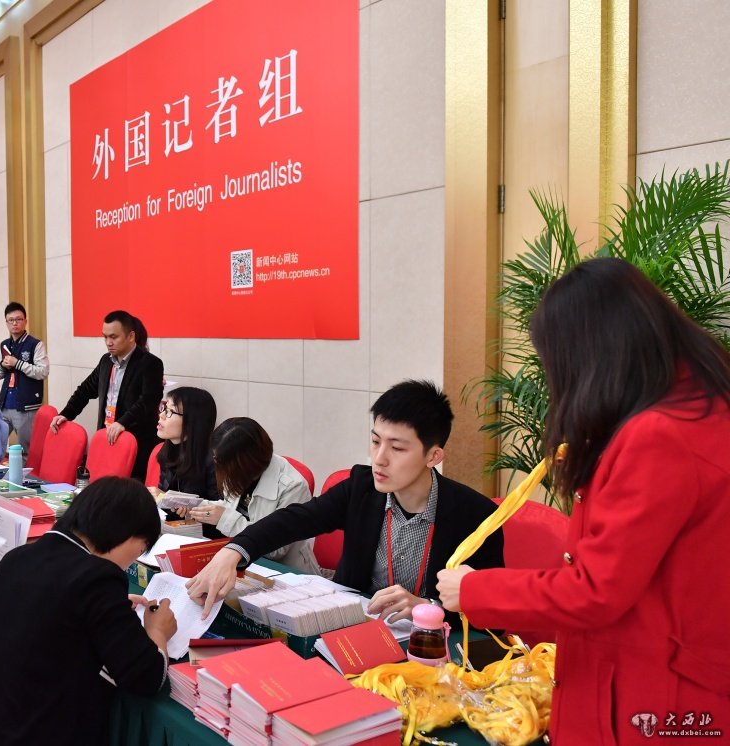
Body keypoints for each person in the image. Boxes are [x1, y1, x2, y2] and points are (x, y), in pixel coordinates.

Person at [437, 258, 730, 741]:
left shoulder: (659, 435)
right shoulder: (700, 406)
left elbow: (596, 589)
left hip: (650, 694)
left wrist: (475, 591)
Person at [187, 380, 503, 621]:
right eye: (376, 441)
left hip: (431, 652)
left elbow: (492, 616)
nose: (379, 458)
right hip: (353, 630)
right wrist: (233, 552)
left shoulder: (476, 516)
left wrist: (428, 607)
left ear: (433, 456)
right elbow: (293, 519)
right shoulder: (361, 488)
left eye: (397, 448)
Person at [0, 477, 178, 746]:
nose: (132, 561)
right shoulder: (98, 578)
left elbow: (56, 614)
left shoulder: (18, 557)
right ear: (126, 534)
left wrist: (111, 608)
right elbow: (146, 677)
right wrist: (158, 631)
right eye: (141, 549)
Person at [186, 417, 321, 574]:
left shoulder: (294, 486)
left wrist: (224, 518)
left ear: (244, 462)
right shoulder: (237, 471)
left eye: (220, 460)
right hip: (243, 559)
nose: (216, 463)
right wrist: (196, 507)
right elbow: (229, 508)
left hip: (286, 573)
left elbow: (276, 549)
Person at [51, 310, 164, 479]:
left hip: (135, 442)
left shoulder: (150, 363)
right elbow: (85, 390)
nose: (108, 343)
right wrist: (66, 414)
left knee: (127, 489)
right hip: (107, 437)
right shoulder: (106, 361)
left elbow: (148, 400)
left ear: (131, 336)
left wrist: (123, 422)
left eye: (114, 337)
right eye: (105, 337)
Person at [156, 387, 222, 537]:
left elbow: (220, 515)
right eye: (164, 408)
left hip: (205, 539)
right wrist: (162, 499)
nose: (161, 415)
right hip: (172, 532)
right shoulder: (167, 450)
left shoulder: (213, 461)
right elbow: (164, 500)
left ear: (191, 422)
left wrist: (190, 510)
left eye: (170, 412)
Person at [0, 301, 49, 449]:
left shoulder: (35, 344)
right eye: (11, 320)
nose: (15, 323)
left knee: (26, 449)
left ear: (25, 321)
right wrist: (3, 366)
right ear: (6, 323)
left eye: (18, 319)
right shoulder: (4, 344)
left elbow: (43, 371)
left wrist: (17, 363)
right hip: (4, 405)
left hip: (27, 407)